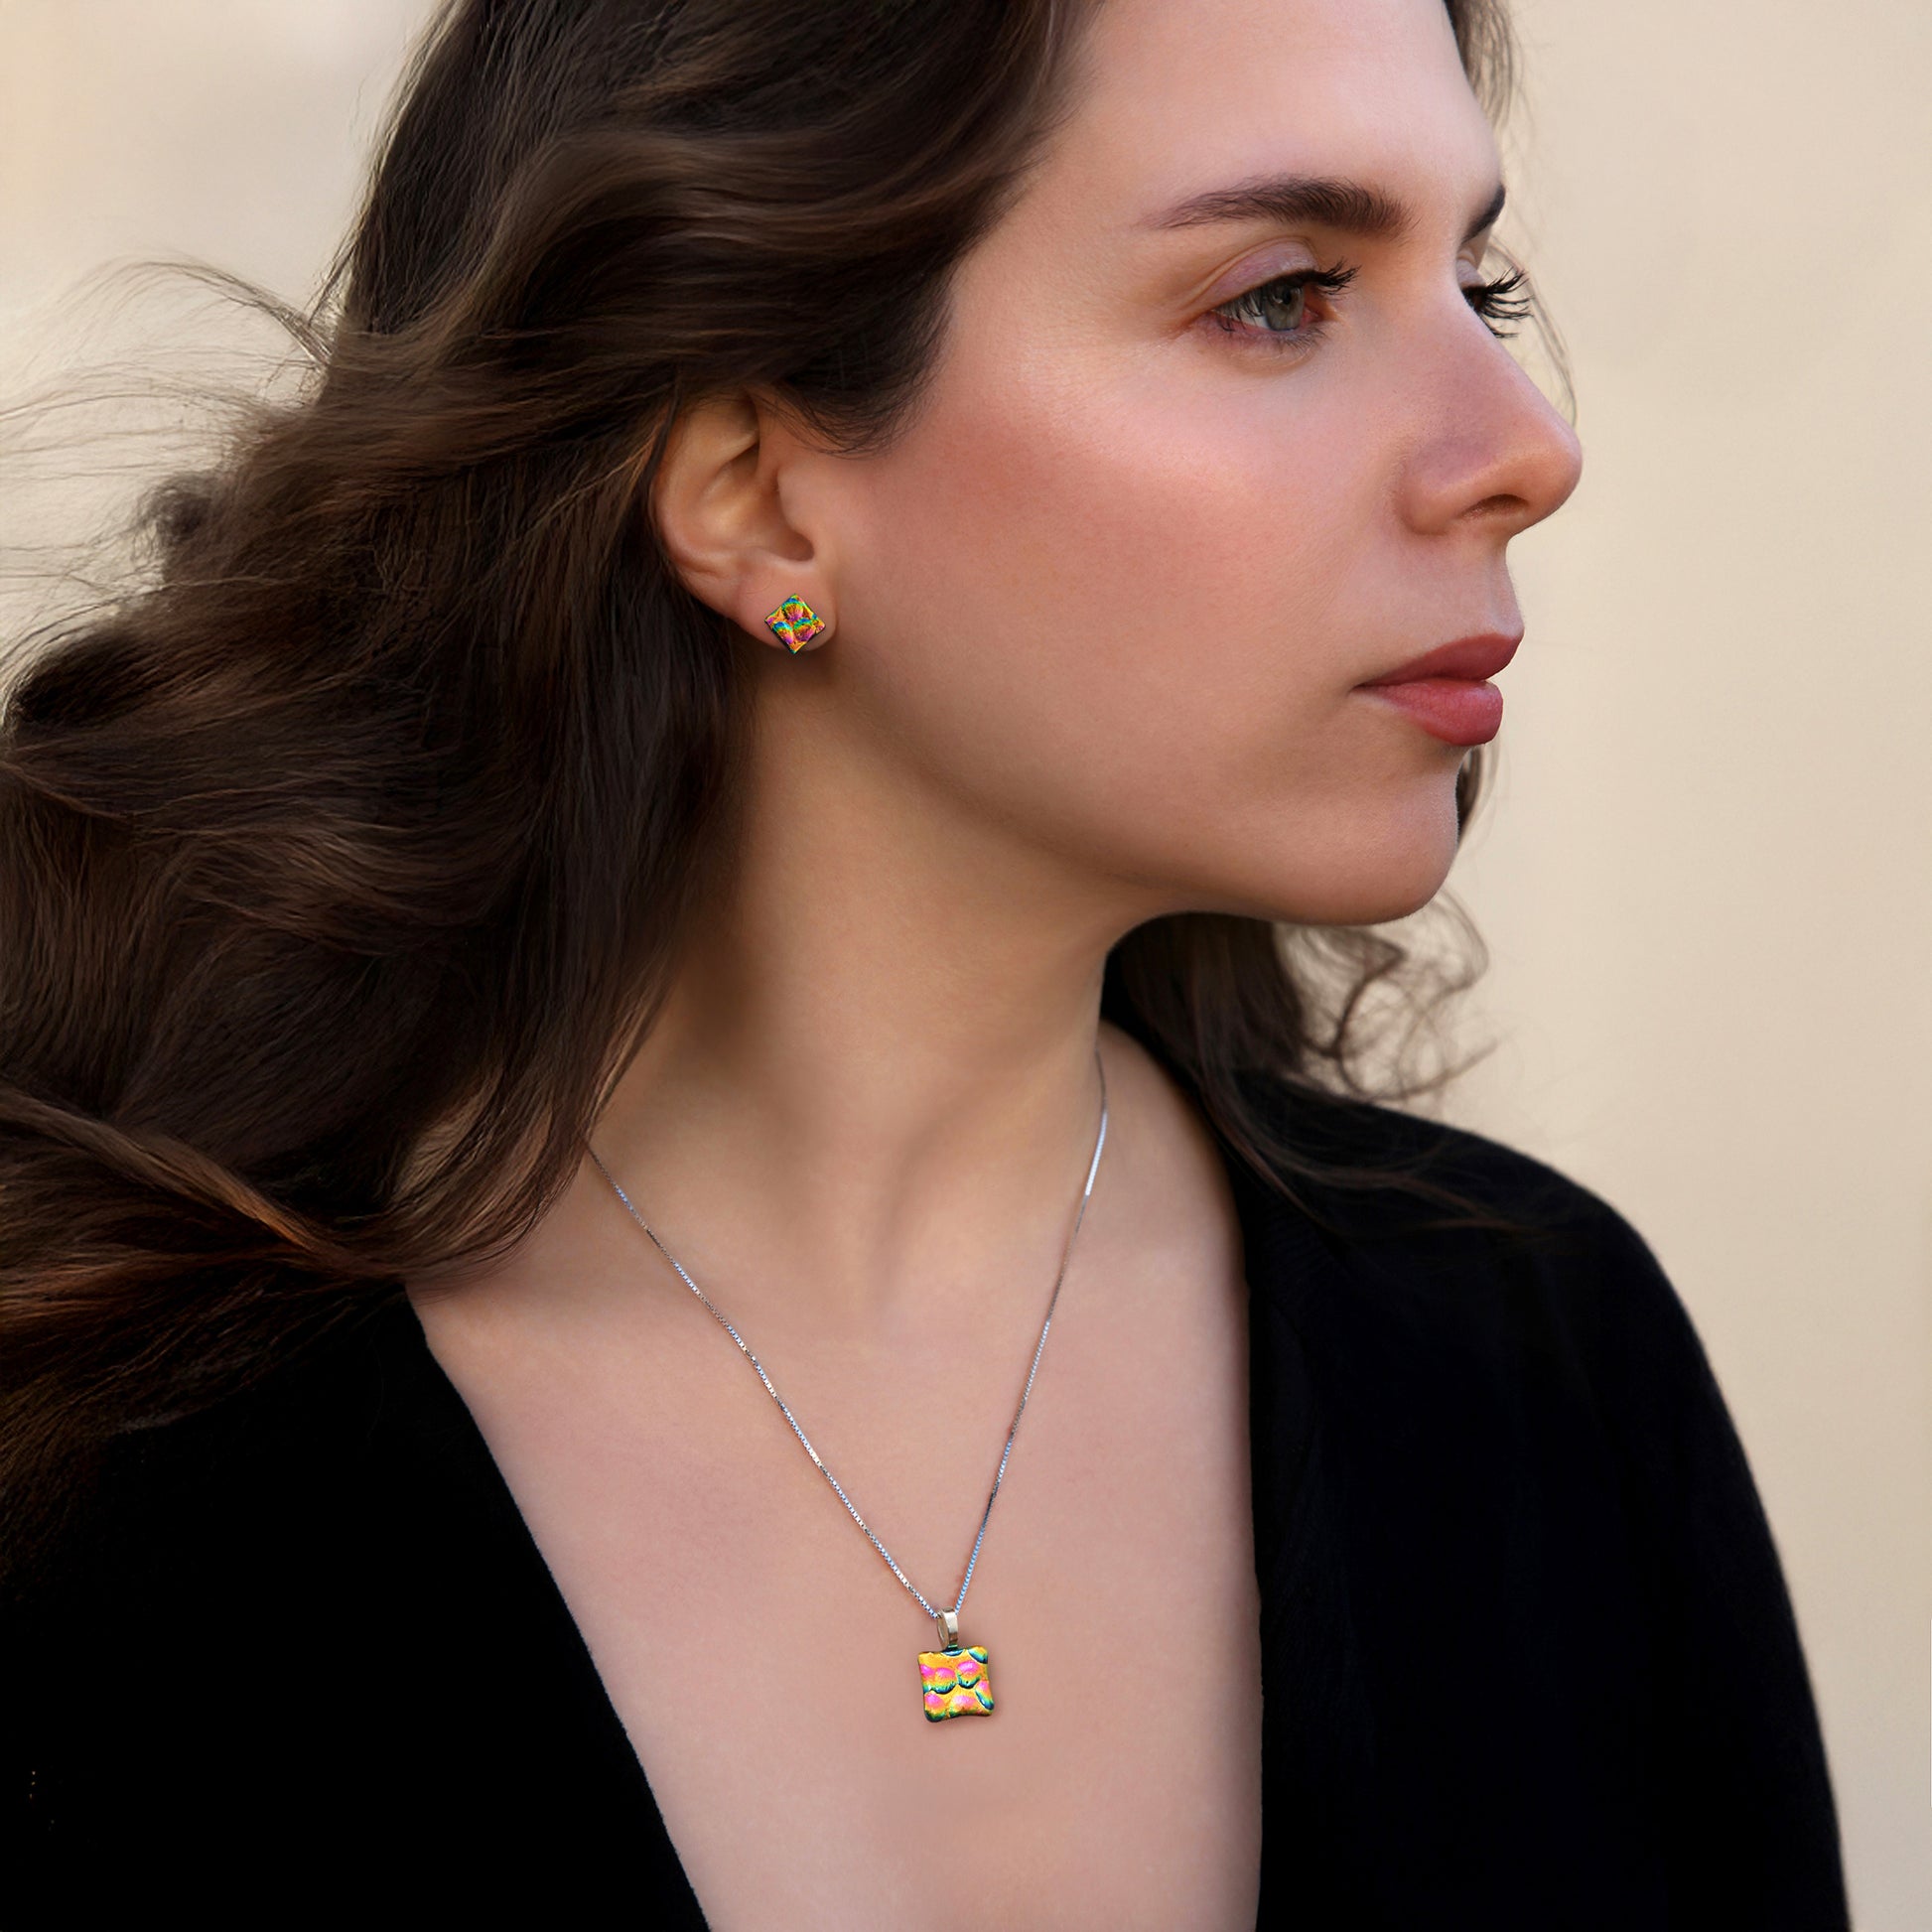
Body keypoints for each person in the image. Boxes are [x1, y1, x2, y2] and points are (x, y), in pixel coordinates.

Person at [0, 0, 1850, 1925]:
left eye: (1479, 284)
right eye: (1285, 295)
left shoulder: (1538, 1371)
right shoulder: (104, 1465)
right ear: (759, 487)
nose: (1524, 449)